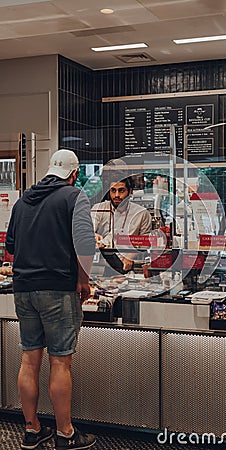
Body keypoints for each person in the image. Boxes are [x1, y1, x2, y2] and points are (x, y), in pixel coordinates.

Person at [5, 149, 96, 450]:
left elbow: (12, 249)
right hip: (57, 288)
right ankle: (65, 434)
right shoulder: (74, 197)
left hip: (23, 288)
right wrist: (83, 279)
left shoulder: (21, 202)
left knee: (30, 359)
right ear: (74, 174)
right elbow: (84, 244)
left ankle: (32, 430)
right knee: (60, 361)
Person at [91, 176, 152, 273]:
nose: (116, 195)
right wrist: (94, 235)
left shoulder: (142, 213)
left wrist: (129, 257)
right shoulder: (99, 208)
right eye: (113, 191)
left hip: (126, 265)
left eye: (121, 191)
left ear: (130, 191)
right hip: (100, 264)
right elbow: (88, 229)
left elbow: (145, 243)